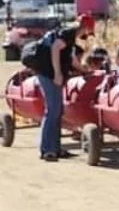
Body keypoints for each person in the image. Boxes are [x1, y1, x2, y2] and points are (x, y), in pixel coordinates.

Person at [26, 23, 79, 161]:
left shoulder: (65, 35)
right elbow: (55, 48)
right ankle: (47, 150)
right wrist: (57, 73)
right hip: (48, 74)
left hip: (49, 74)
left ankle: (55, 148)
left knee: (57, 110)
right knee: (52, 110)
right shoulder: (69, 33)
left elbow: (72, 59)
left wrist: (84, 70)